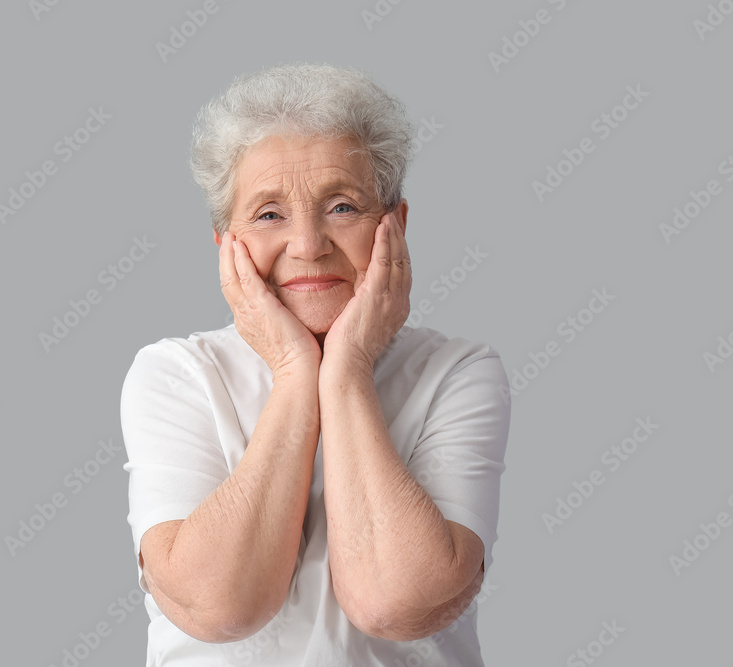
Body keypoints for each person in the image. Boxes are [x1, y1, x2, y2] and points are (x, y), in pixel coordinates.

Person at [120, 63, 511, 667]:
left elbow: (397, 604)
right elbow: (219, 606)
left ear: (395, 227)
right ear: (227, 246)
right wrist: (295, 371)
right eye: (269, 214)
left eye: (342, 207)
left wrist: (348, 368)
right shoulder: (174, 374)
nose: (307, 244)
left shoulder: (458, 372)